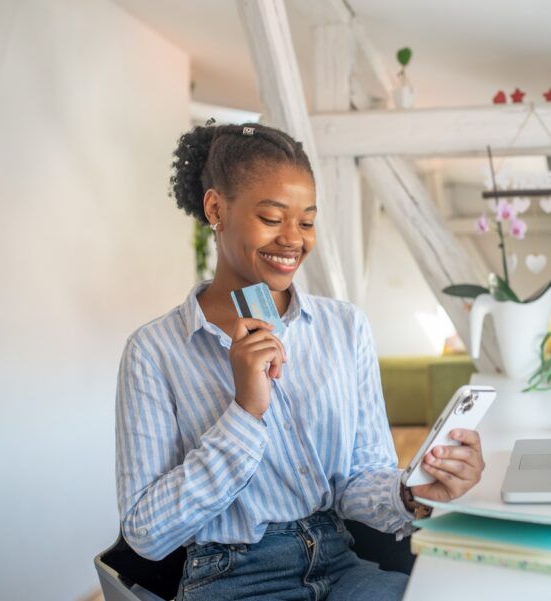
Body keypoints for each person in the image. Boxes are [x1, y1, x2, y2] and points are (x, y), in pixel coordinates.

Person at [115, 122, 486, 600]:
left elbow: (359, 479)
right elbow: (146, 533)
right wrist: (245, 412)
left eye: (307, 221)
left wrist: (411, 492)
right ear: (216, 209)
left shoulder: (344, 328)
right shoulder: (154, 351)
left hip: (340, 561)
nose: (293, 239)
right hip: (231, 579)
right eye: (272, 218)